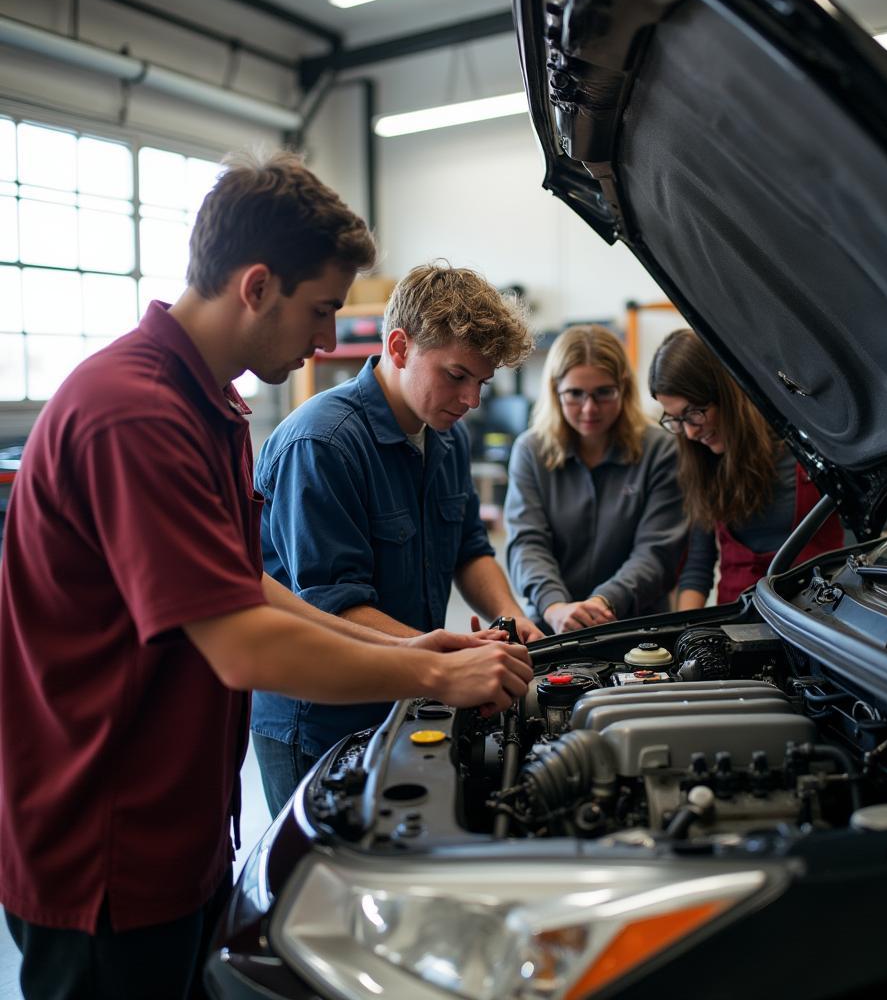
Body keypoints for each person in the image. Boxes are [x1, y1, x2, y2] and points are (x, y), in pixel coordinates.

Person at [0, 152, 532, 1000]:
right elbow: (242, 646)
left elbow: (244, 585)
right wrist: (432, 671)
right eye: (321, 310)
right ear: (256, 286)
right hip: (105, 851)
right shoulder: (132, 413)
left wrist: (417, 645)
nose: (328, 340)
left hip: (185, 832)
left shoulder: (209, 406)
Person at [252, 261, 544, 814]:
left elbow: (470, 549)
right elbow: (334, 605)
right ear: (400, 346)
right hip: (318, 722)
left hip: (404, 696)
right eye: (457, 376)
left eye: (482, 383)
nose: (472, 400)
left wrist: (514, 615)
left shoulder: (447, 438)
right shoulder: (322, 444)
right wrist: (445, 663)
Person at [504, 325, 686, 634]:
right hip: (549, 625)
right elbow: (527, 543)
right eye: (575, 394)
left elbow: (657, 550)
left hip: (634, 627)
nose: (589, 409)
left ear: (624, 389)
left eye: (604, 393)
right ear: (555, 391)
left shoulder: (661, 450)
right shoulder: (530, 451)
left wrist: (606, 602)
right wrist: (555, 606)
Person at [648, 328, 844, 607]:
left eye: (694, 412)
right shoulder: (700, 461)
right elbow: (698, 566)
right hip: (736, 625)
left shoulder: (808, 448)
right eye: (676, 419)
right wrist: (689, 632)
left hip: (814, 622)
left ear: (727, 393)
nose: (689, 433)